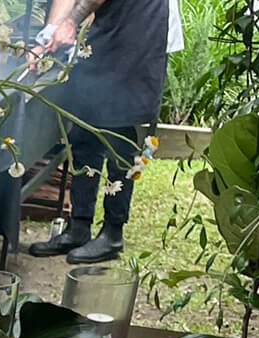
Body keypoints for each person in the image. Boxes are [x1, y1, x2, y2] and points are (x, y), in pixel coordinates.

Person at [27, 0, 169, 263]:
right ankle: (79, 225)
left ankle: (113, 232)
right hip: (106, 28)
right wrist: (49, 34)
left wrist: (71, 21)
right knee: (83, 127)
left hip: (136, 33)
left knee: (120, 133)